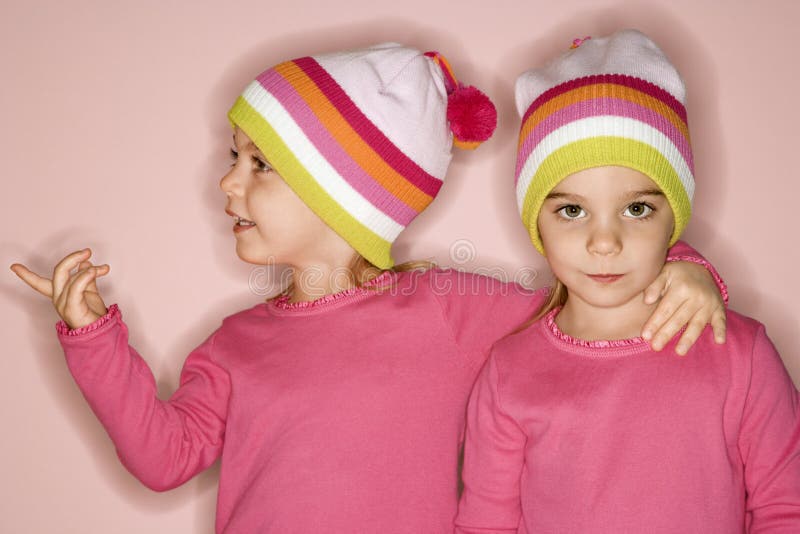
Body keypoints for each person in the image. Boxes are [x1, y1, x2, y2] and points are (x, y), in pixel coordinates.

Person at [11, 41, 726, 533]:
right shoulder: (235, 344)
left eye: (260, 164)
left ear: (340, 194)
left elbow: (592, 293)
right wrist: (92, 335)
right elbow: (164, 460)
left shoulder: (450, 310)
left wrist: (686, 266)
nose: (225, 182)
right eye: (235, 157)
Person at [455, 29, 800, 533]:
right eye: (572, 210)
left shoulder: (740, 355)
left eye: (636, 209)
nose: (604, 242)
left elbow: (786, 510)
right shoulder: (509, 373)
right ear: (536, 222)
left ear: (674, 217)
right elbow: (486, 525)